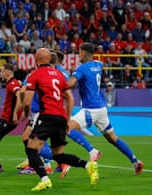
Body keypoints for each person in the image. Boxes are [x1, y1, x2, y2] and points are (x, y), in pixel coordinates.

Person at [23, 48, 99, 191]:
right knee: (58, 155)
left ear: (37, 60)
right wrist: (67, 119)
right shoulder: (59, 74)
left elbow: (27, 102)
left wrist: (28, 115)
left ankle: (44, 179)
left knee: (31, 148)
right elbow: (70, 98)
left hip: (47, 116)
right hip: (61, 117)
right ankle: (88, 165)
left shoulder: (35, 75)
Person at [67, 42, 144, 175]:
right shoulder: (98, 65)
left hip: (90, 109)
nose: (78, 54)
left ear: (84, 53)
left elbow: (71, 83)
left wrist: (65, 82)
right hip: (101, 110)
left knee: (67, 128)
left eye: (79, 52)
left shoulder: (82, 68)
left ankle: (92, 151)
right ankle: (135, 161)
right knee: (113, 139)